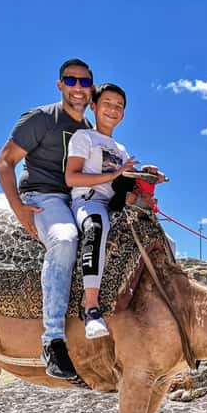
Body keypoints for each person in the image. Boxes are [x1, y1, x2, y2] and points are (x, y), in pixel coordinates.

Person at [0, 58, 94, 380]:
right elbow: (4, 161)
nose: (78, 87)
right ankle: (53, 341)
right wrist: (18, 207)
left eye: (84, 82)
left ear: (91, 88)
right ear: (60, 85)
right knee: (64, 240)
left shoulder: (90, 131)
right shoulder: (42, 118)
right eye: (71, 80)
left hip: (77, 199)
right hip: (43, 197)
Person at [64, 83, 137, 339]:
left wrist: (147, 177)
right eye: (107, 103)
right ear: (93, 106)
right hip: (88, 201)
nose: (113, 109)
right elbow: (72, 177)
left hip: (114, 206)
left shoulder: (121, 149)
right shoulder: (83, 137)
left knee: (162, 238)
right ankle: (92, 307)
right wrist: (115, 174)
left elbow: (124, 184)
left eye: (119, 106)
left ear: (123, 114)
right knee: (96, 226)